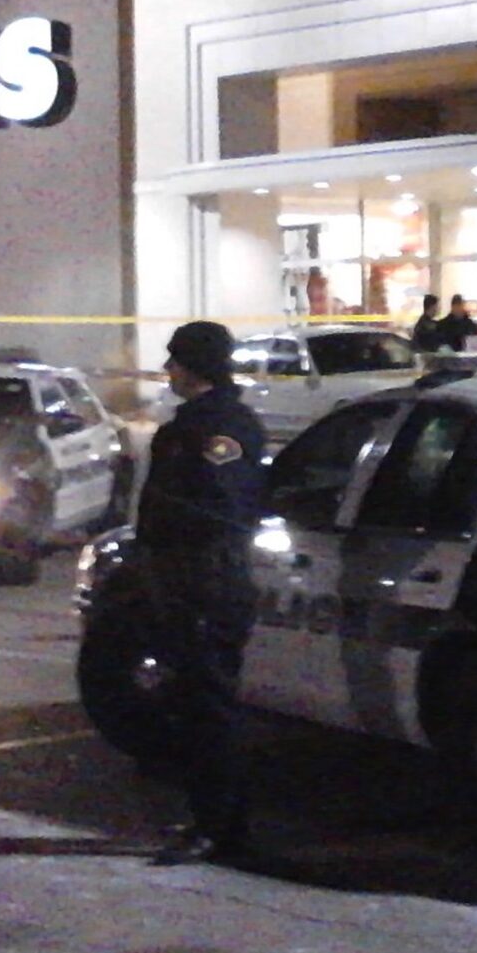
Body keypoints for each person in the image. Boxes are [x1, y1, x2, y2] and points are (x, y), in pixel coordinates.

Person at [136, 320, 270, 866]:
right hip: (191, 575)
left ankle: (219, 827)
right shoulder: (201, 422)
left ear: (194, 366)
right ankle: (209, 816)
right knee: (194, 699)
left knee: (209, 704)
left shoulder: (217, 428)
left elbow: (220, 506)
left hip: (204, 578)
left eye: (175, 361)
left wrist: (170, 542)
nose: (168, 370)